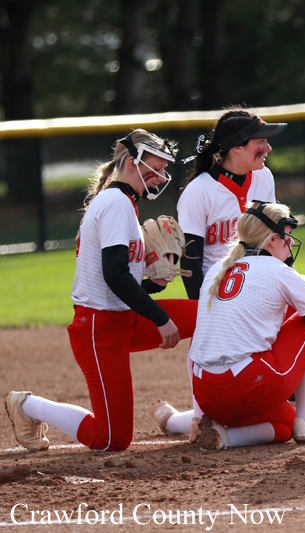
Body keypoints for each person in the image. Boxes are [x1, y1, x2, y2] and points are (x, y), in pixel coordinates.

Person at [5, 129, 197, 452]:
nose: (162, 175)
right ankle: (27, 405)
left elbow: (119, 280)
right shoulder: (115, 203)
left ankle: (207, 412)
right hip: (99, 328)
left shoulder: (124, 203)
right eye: (157, 166)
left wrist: (153, 285)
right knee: (112, 439)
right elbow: (114, 276)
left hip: (125, 317)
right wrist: (160, 317)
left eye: (165, 168)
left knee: (211, 315)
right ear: (133, 162)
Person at [184, 201, 305, 451]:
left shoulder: (217, 269)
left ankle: (224, 438)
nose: (290, 243)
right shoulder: (277, 269)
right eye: (287, 236)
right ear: (272, 239)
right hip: (248, 387)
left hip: (206, 395)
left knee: (285, 424)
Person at [178, 107, 285, 300]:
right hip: (217, 294)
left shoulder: (263, 176)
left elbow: (273, 240)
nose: (268, 147)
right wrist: (199, 307)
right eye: (260, 141)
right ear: (237, 147)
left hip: (258, 287)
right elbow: (190, 260)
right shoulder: (198, 190)